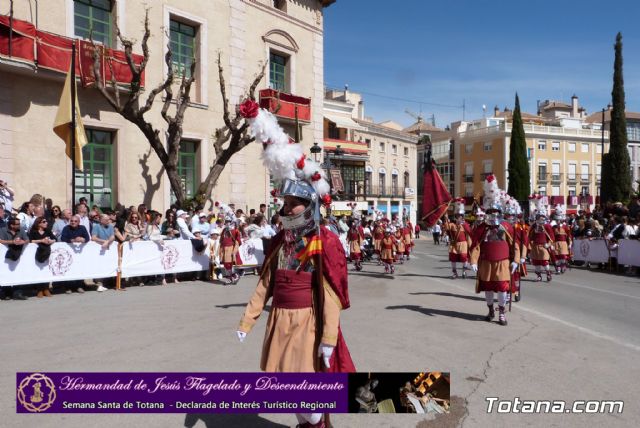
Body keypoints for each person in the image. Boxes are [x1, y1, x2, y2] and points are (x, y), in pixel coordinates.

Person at [236, 99, 355, 428]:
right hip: (281, 323)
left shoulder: (326, 243)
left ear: (311, 206)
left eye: (294, 204)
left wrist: (329, 339)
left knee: (309, 397)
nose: (286, 210)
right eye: (285, 203)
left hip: (309, 325)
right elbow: (264, 285)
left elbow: (331, 294)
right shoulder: (279, 241)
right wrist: (247, 321)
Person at [469, 176, 520, 326]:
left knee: (503, 289)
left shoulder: (506, 226)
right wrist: (473, 261)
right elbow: (476, 245)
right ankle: (491, 310)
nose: (493, 213)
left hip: (503, 263)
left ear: (500, 211)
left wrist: (516, 260)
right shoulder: (482, 228)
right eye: (490, 211)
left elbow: (514, 245)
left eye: (495, 211)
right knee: (489, 290)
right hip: (486, 263)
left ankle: (502, 313)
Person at [0, 217, 29, 299]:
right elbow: (1, 241)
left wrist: (22, 242)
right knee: (6, 273)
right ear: (12, 225)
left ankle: (17, 293)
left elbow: (27, 239)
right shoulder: (2, 230)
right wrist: (13, 242)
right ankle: (6, 292)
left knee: (18, 273)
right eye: (18, 224)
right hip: (4, 256)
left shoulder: (21, 230)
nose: (19, 225)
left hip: (18, 255)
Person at [28, 216, 57, 297]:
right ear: (39, 223)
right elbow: (30, 240)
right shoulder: (33, 231)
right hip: (37, 253)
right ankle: (39, 289)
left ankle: (46, 288)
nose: (46, 223)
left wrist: (50, 241)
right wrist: (41, 240)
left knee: (46, 270)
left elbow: (55, 239)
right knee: (38, 270)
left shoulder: (47, 230)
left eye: (46, 221)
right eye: (44, 222)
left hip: (46, 252)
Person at [528, 198, 555, 283]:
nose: (540, 218)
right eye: (539, 216)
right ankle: (539, 276)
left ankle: (548, 273)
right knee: (536, 262)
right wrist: (530, 244)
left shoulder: (547, 226)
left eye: (542, 216)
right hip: (535, 246)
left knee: (544, 261)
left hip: (543, 245)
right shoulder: (534, 226)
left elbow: (552, 237)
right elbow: (530, 236)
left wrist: (549, 244)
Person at [445, 199, 472, 279]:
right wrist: (446, 218)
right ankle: (455, 273)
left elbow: (470, 233)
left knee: (464, 258)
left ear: (462, 217)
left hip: (463, 244)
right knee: (453, 258)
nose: (458, 218)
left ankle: (464, 272)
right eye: (457, 216)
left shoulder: (465, 225)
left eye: (460, 216)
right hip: (454, 244)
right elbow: (447, 228)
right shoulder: (452, 225)